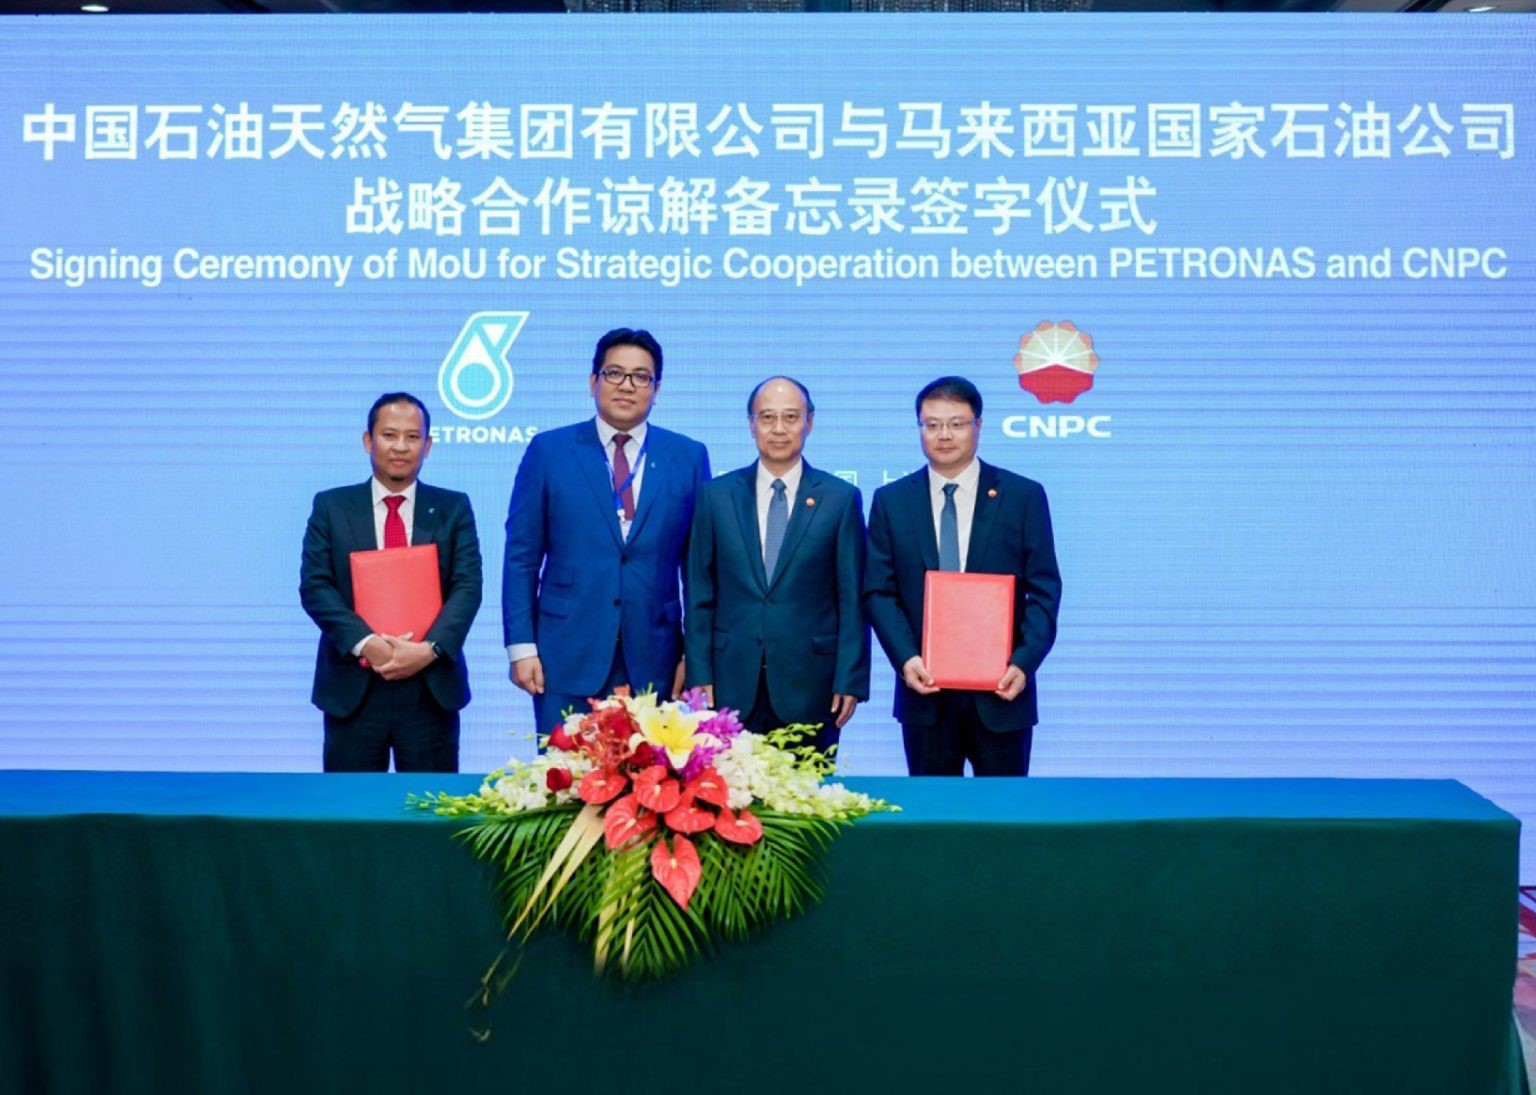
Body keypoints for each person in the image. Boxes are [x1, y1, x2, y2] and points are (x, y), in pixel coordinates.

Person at [502, 328, 710, 735]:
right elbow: (521, 557)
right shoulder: (549, 451)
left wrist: (696, 655)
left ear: (657, 388)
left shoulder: (686, 456)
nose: (627, 386)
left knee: (654, 788)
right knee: (563, 786)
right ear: (592, 381)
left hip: (656, 655)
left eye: (641, 377)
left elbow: (699, 568)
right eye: (614, 373)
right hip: (565, 653)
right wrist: (521, 646)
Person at [864, 376, 1061, 776]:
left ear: (979, 426)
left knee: (1006, 822)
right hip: (925, 694)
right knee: (932, 825)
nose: (944, 435)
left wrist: (1023, 663)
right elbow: (878, 592)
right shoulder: (892, 501)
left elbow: (1044, 591)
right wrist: (906, 659)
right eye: (931, 424)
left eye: (956, 423)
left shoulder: (1022, 497)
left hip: (1003, 693)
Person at [685, 377, 869, 756]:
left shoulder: (839, 498)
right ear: (751, 424)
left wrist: (850, 678)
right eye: (768, 417)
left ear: (810, 422)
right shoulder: (716, 496)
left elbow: (852, 598)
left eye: (791, 417)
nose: (779, 429)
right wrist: (699, 673)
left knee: (806, 806)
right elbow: (699, 592)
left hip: (813, 687)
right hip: (730, 682)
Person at [300, 392, 482, 772]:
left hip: (430, 688)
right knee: (349, 815)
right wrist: (369, 645)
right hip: (354, 687)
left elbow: (467, 587)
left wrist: (429, 649)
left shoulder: (454, 508)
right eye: (389, 435)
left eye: (413, 437)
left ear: (428, 445)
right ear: (368, 440)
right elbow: (316, 586)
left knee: (432, 813)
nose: (401, 447)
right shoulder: (331, 507)